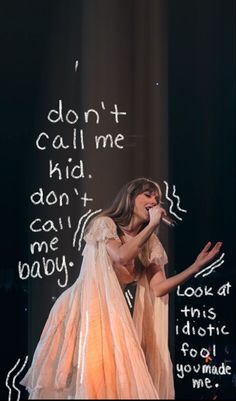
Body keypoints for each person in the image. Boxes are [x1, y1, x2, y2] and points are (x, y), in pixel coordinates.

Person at [20, 177, 223, 399]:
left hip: (112, 314)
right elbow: (120, 256)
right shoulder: (105, 224)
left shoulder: (150, 244)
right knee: (87, 381)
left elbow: (158, 289)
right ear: (130, 197)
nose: (154, 200)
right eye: (148, 194)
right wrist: (153, 225)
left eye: (157, 197)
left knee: (115, 384)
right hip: (83, 308)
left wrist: (195, 267)